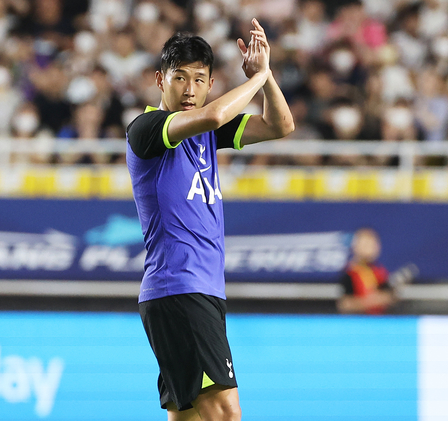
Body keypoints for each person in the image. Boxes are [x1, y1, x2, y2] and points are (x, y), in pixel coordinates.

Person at [125, 19, 294, 421]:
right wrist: (261, 75)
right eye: (179, 78)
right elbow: (216, 116)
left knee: (188, 417)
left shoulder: (205, 135)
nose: (188, 90)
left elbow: (280, 125)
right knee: (224, 413)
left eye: (199, 80)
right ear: (159, 79)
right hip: (181, 287)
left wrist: (265, 80)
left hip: (192, 291)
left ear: (211, 83)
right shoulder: (147, 129)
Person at [337, 228, 394, 315]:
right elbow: (344, 304)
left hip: (381, 322)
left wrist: (387, 298)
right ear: (355, 247)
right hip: (358, 322)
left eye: (372, 245)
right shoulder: (350, 273)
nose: (369, 249)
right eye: (365, 245)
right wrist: (369, 302)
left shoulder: (381, 273)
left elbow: (390, 297)